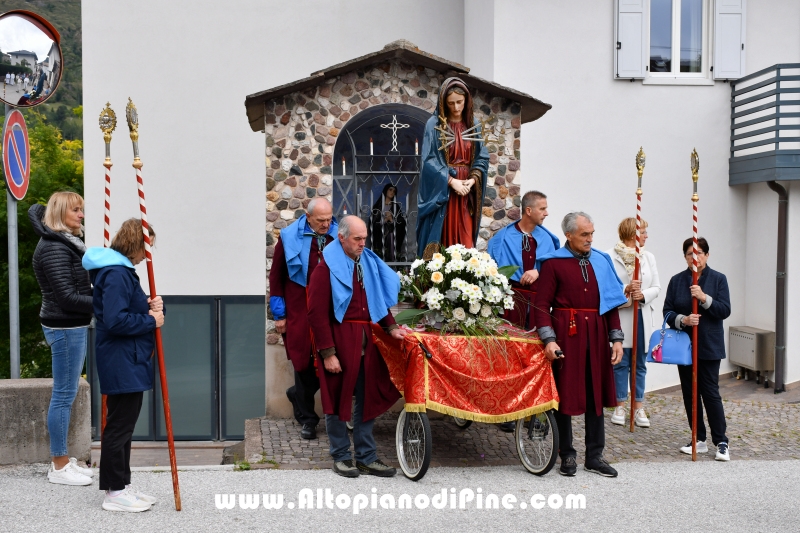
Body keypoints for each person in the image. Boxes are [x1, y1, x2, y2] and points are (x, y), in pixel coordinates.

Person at [307, 216, 406, 478]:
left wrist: (391, 328)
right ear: (341, 238)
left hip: (367, 343)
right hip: (339, 341)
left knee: (368, 398)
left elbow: (377, 302)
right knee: (337, 400)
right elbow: (316, 314)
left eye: (365, 238)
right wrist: (328, 353)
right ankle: (341, 456)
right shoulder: (325, 269)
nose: (363, 244)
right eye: (357, 239)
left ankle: (366, 457)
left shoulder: (367, 264)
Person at [534, 212, 626, 477]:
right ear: (569, 235)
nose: (590, 239)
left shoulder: (601, 260)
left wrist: (616, 339)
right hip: (567, 332)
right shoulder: (552, 264)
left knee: (596, 392)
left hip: (597, 333)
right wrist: (549, 340)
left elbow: (610, 302)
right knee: (566, 393)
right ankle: (567, 455)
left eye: (592, 233)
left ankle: (595, 456)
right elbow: (542, 306)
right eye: (584, 234)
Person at [82, 219, 163, 512]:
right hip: (122, 359)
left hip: (128, 358)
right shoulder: (117, 274)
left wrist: (155, 307)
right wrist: (151, 320)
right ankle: (114, 493)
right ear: (136, 243)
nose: (147, 254)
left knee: (123, 426)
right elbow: (116, 321)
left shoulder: (121, 273)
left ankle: (122, 485)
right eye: (146, 247)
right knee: (119, 426)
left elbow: (129, 310)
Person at [28, 193, 95, 486]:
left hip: (70, 325)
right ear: (60, 213)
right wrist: (104, 301)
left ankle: (63, 460)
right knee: (64, 396)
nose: (81, 215)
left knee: (65, 394)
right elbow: (67, 298)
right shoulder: (55, 247)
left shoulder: (65, 242)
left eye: (82, 209)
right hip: (65, 327)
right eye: (76, 210)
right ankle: (58, 465)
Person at [269, 198, 338, 440]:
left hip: (330, 312)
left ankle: (297, 394)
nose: (326, 224)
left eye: (329, 219)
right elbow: (276, 278)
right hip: (300, 311)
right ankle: (308, 419)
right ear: (308, 217)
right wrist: (280, 314)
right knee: (303, 363)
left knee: (332, 360)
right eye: (321, 221)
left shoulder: (337, 236)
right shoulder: (288, 238)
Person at [663, 237, 731, 461]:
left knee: (710, 393)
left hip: (709, 345)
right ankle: (698, 438)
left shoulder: (719, 279)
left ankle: (721, 441)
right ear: (685, 257)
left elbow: (724, 310)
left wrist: (704, 298)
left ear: (707, 255)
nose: (695, 257)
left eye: (700, 252)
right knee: (689, 393)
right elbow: (668, 312)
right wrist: (683, 320)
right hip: (685, 346)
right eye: (690, 253)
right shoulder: (677, 281)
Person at [417, 77, 489, 255]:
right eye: (451, 103)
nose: (456, 108)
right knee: (443, 240)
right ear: (443, 103)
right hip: (444, 193)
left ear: (467, 100)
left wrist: (471, 181)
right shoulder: (434, 125)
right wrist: (451, 181)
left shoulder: (474, 126)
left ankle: (464, 279)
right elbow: (428, 160)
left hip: (466, 193)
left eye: (460, 102)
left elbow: (482, 157)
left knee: (466, 240)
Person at [606, 217, 661, 428]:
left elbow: (656, 286)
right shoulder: (609, 257)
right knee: (620, 361)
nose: (646, 236)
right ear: (632, 234)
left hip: (642, 317)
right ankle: (619, 404)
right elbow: (608, 289)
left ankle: (638, 407)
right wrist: (626, 292)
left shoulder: (648, 257)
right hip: (621, 316)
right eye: (644, 232)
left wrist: (642, 295)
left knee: (640, 364)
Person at [370, 183, 406, 262]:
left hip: (391, 237)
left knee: (391, 239)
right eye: (390, 190)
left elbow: (402, 223)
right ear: (386, 191)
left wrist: (392, 220)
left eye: (394, 191)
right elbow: (372, 224)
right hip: (380, 237)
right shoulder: (377, 207)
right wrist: (384, 220)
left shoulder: (396, 207)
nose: (392, 192)